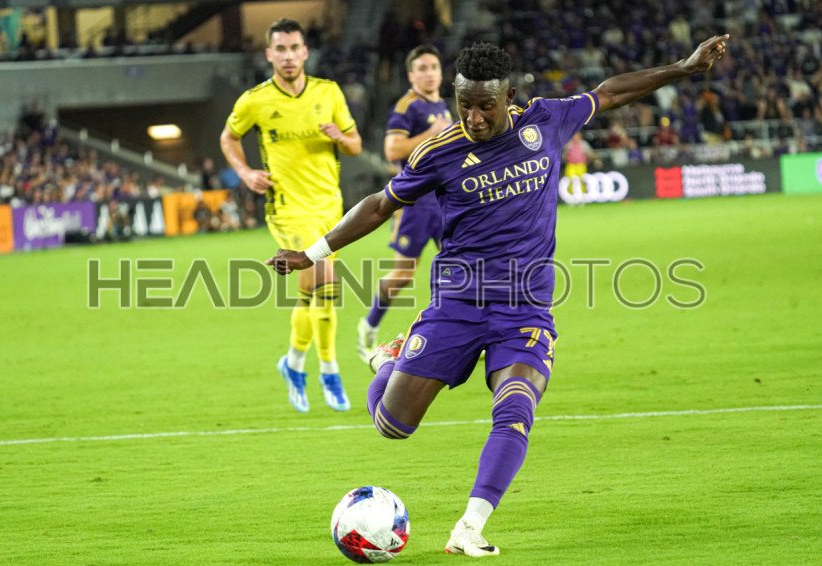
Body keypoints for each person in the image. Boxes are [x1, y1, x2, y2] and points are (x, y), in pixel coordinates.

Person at [268, 35, 730, 556]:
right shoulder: (439, 152)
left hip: (524, 309)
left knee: (515, 406)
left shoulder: (547, 120)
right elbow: (379, 205)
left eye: (485, 106)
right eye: (463, 104)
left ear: (508, 97)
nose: (474, 117)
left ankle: (470, 526)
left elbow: (612, 92)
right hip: (457, 304)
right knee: (392, 426)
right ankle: (388, 361)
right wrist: (312, 253)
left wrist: (684, 67)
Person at [220, 17, 362, 413]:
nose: (288, 56)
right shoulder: (255, 101)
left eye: (294, 48)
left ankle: (294, 364)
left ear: (305, 52)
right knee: (325, 280)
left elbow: (355, 144)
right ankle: (330, 370)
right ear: (269, 54)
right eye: (280, 49)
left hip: (328, 206)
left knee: (311, 292)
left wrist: (340, 137)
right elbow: (228, 137)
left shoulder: (328, 92)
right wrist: (245, 172)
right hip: (287, 209)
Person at [357, 44, 452, 361]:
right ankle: (369, 326)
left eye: (434, 67)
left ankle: (466, 333)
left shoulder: (440, 105)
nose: (429, 73)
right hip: (415, 203)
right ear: (411, 75)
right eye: (422, 68)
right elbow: (392, 150)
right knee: (403, 274)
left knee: (462, 264)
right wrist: (430, 134)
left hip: (443, 199)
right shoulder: (406, 107)